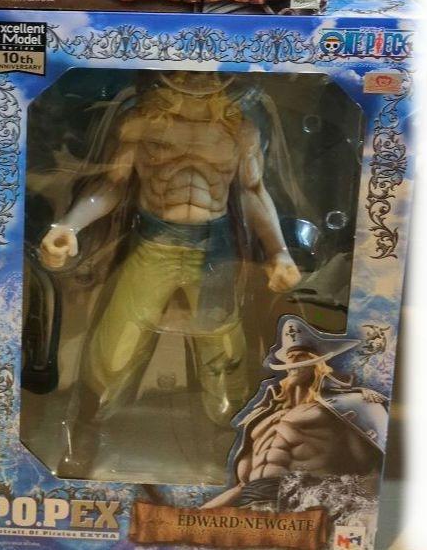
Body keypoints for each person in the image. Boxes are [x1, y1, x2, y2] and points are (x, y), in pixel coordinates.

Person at [38, 73, 300, 477]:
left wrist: (278, 251)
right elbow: (112, 185)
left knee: (224, 349)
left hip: (214, 249)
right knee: (116, 342)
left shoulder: (240, 129)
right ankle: (85, 428)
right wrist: (70, 226)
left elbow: (252, 191)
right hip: (154, 242)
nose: (196, 79)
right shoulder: (141, 124)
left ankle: (227, 432)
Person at [205, 315, 387, 508]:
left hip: (303, 502)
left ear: (318, 364)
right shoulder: (264, 414)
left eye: (300, 356)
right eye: (290, 356)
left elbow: (369, 468)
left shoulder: (345, 408)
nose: (292, 362)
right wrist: (201, 513)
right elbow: (241, 486)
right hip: (252, 502)